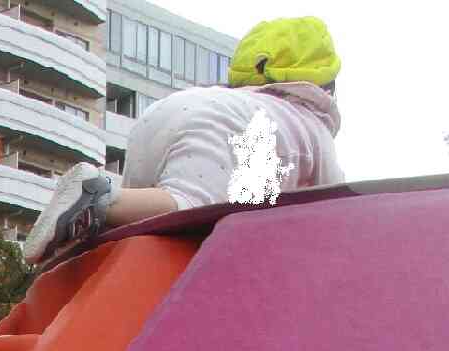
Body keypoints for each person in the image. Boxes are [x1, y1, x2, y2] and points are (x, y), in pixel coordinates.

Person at [23, 16, 343, 266]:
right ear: (325, 85)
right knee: (191, 206)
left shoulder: (234, 100)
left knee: (132, 232)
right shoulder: (308, 123)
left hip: (161, 114)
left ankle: (90, 233)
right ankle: (100, 196)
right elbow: (335, 211)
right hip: (222, 126)